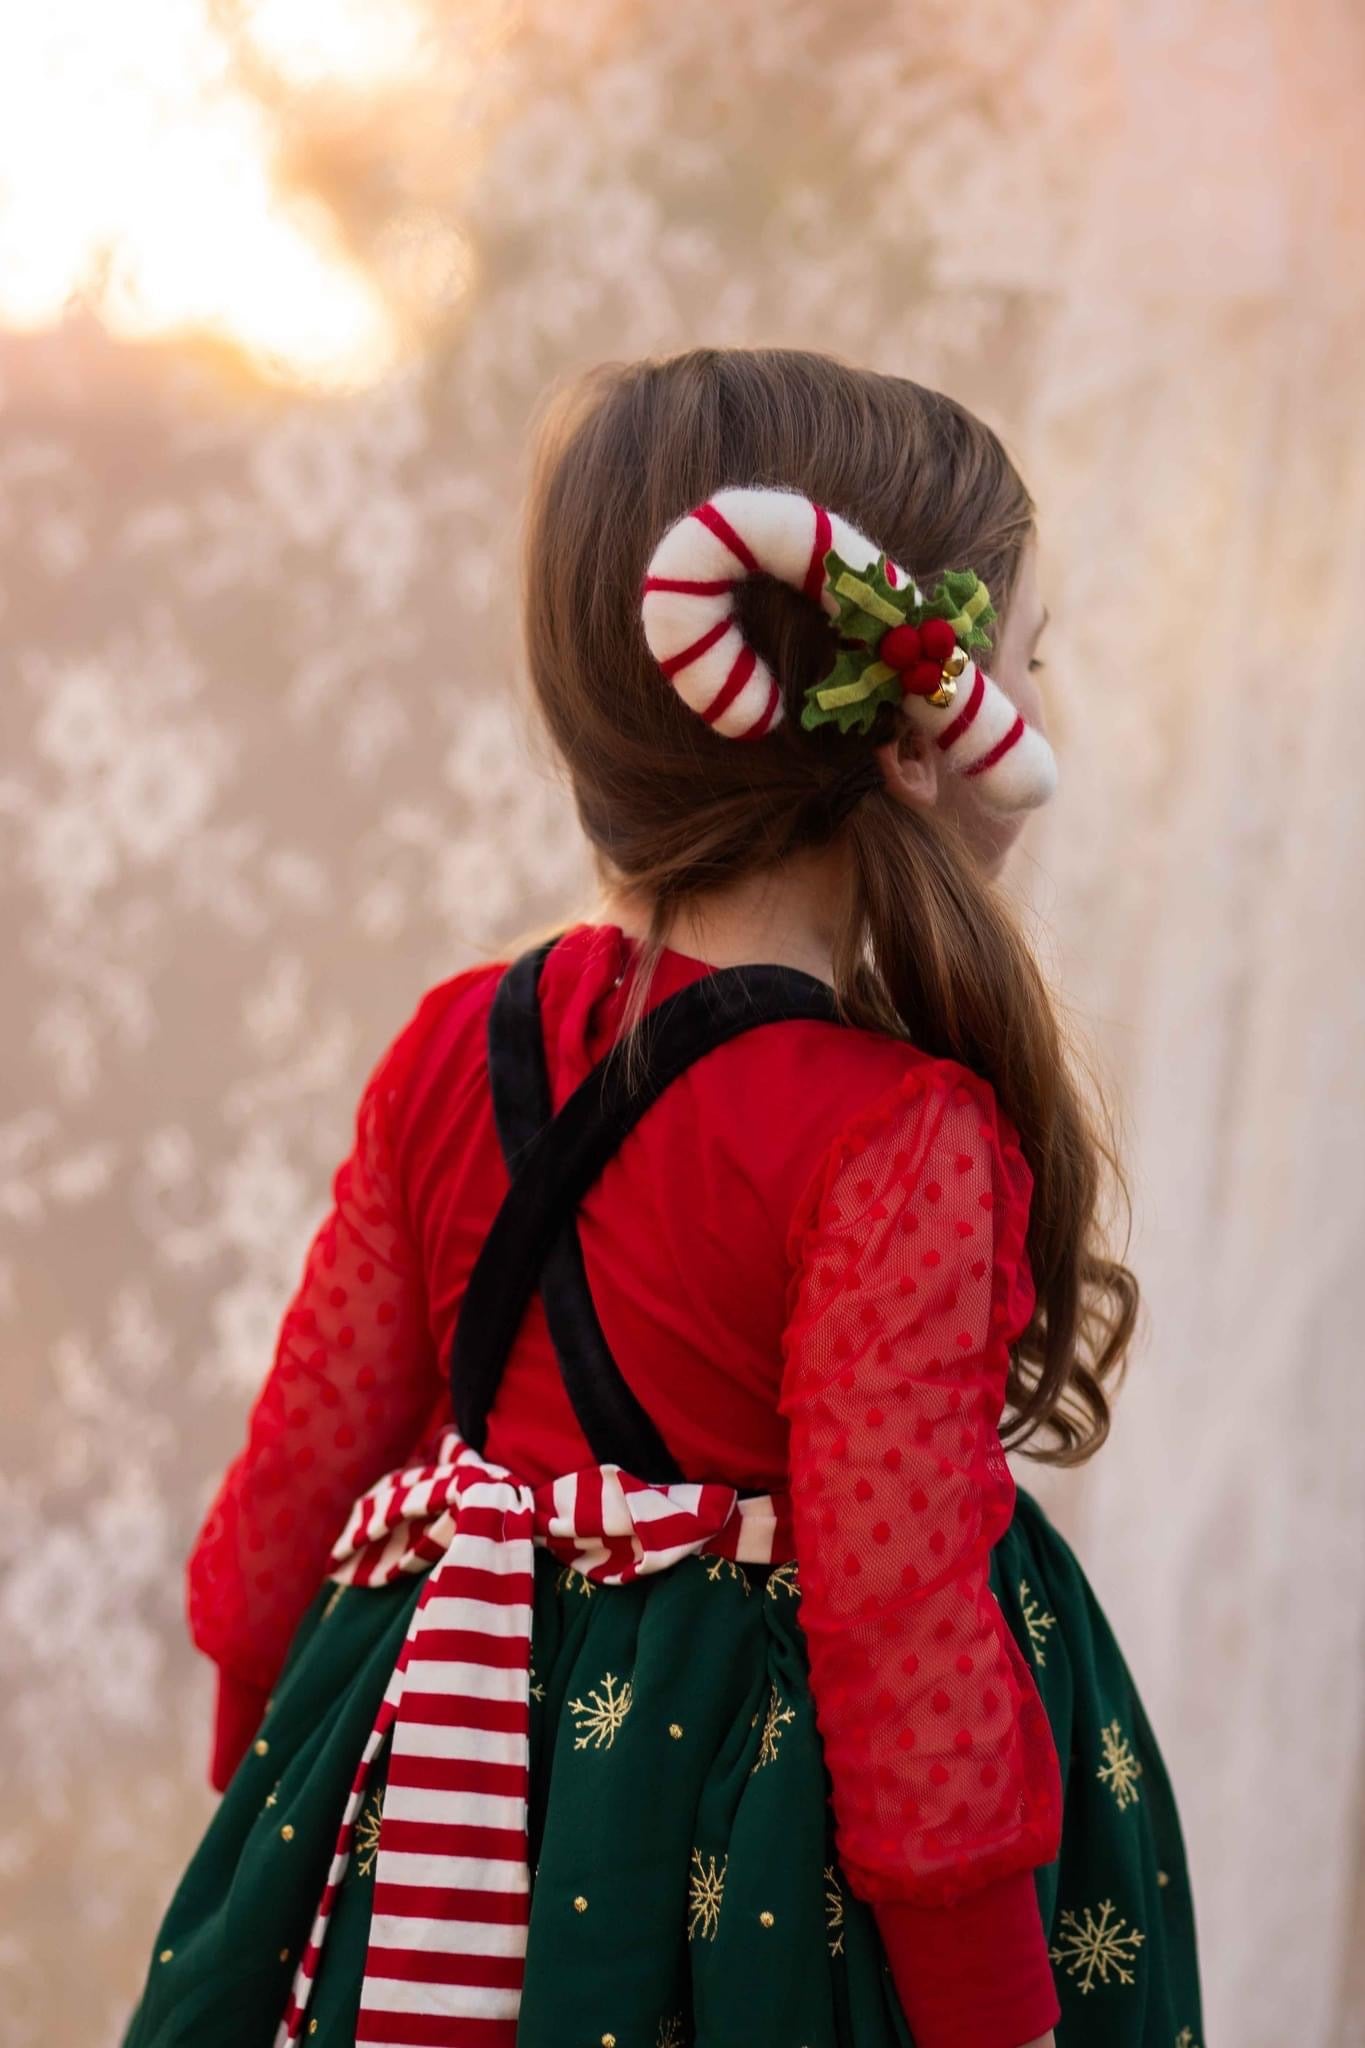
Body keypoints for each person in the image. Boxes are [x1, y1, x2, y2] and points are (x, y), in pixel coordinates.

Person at [124, 348, 1203, 2048]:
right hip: (758, 1878)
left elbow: (291, 1500)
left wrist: (281, 1786)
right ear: (921, 738)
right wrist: (992, 2021)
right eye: (1032, 659)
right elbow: (902, 1639)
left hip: (440, 1810)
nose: (1042, 706)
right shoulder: (891, 1135)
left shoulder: (449, 1047)